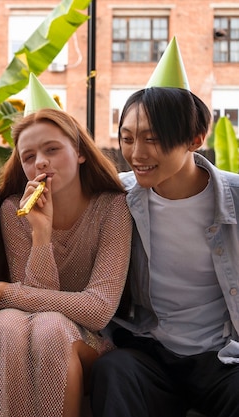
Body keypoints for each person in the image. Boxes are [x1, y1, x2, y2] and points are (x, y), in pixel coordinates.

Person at [90, 38, 239, 417]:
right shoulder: (117, 196)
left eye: (152, 140)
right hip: (150, 350)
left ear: (195, 139)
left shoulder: (235, 197)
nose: (136, 154)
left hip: (222, 357)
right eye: (127, 139)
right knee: (114, 371)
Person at [0, 75, 133, 417]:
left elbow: (98, 309)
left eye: (52, 149)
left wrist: (3, 291)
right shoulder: (14, 211)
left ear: (80, 154)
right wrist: (41, 233)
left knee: (48, 326)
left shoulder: (112, 207)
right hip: (31, 331)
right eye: (29, 156)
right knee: (6, 324)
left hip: (89, 340)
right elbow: (36, 301)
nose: (40, 162)